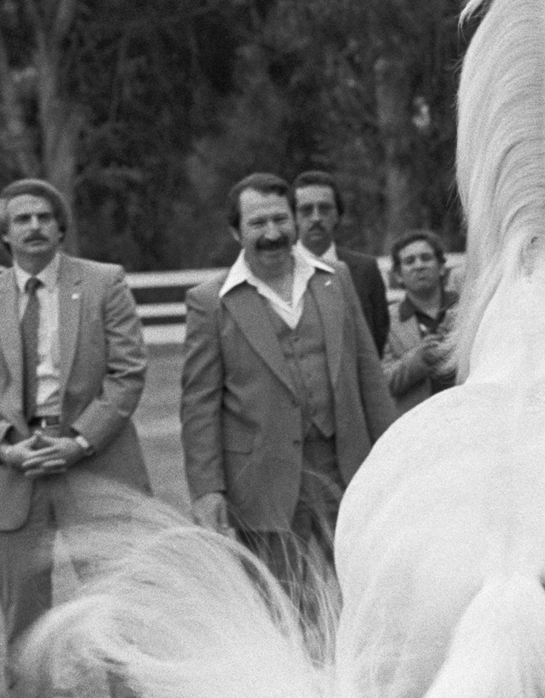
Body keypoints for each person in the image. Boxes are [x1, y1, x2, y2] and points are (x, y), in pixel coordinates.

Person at [0, 179, 148, 698]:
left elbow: (128, 373)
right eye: (22, 219)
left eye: (44, 217)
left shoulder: (104, 281)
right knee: (23, 621)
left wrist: (81, 440)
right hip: (17, 471)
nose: (34, 226)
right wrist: (8, 448)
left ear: (61, 227)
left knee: (117, 613)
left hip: (95, 462)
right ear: (4, 235)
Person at [181, 174, 397, 590]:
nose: (272, 233)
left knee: (368, 585)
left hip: (345, 465)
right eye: (257, 223)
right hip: (263, 479)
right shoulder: (210, 302)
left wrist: (393, 455)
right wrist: (207, 491)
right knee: (284, 601)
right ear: (235, 231)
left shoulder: (336, 278)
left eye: (281, 219)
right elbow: (199, 407)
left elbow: (368, 371)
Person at [293, 170, 390, 354]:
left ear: (338, 214)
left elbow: (377, 336)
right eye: (306, 210)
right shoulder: (280, 269)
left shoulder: (365, 270)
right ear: (293, 217)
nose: (316, 218)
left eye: (325, 208)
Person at [382, 229, 457, 414]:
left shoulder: (466, 309)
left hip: (470, 418)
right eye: (409, 261)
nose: (419, 265)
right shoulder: (387, 321)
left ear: (441, 267)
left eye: (426, 258)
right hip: (417, 427)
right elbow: (382, 383)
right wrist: (418, 358)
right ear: (398, 275)